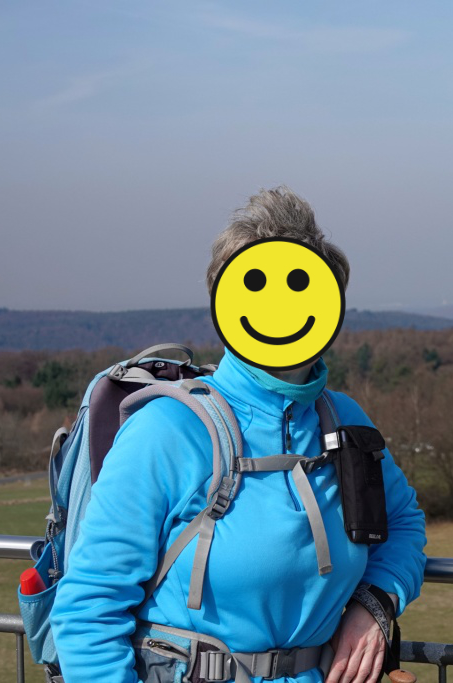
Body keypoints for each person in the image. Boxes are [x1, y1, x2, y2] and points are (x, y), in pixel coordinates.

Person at [49, 187, 427, 683]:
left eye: (300, 287)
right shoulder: (167, 431)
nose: (280, 309)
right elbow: (89, 611)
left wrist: (373, 603)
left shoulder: (343, 421)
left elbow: (403, 525)